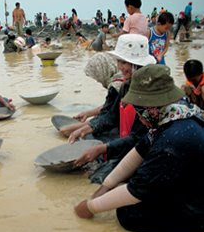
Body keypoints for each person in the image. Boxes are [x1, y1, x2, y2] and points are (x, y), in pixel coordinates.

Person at [74, 64, 204, 232]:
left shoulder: (172, 140)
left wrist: (90, 207)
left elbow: (136, 191)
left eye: (138, 108)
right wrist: (105, 187)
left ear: (151, 107)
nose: (137, 114)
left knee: (130, 214)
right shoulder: (175, 115)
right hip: (197, 187)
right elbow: (138, 151)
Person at [62, 34, 156, 184]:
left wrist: (102, 149)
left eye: (124, 62)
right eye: (119, 61)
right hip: (128, 142)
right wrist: (84, 129)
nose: (120, 67)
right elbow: (112, 116)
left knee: (99, 179)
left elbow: (138, 139)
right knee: (97, 170)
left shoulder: (148, 93)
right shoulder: (126, 85)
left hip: (144, 150)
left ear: (137, 64)